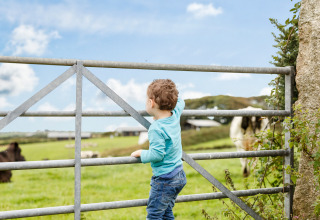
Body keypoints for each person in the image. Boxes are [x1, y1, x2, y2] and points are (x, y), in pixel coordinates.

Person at [131, 79, 187, 220]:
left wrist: (141, 153)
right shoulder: (175, 114)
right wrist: (170, 95)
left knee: (154, 214)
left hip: (165, 179)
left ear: (151, 103)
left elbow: (157, 154)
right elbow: (181, 102)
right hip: (179, 175)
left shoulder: (156, 128)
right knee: (166, 212)